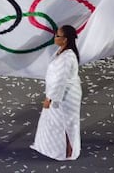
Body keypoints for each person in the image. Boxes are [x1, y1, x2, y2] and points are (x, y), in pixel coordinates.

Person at [31, 25, 82, 160]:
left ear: (64, 39)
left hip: (66, 95)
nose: (55, 38)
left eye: (57, 36)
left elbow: (61, 80)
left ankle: (68, 151)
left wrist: (51, 98)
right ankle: (58, 148)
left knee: (66, 122)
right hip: (60, 92)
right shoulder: (61, 51)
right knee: (56, 121)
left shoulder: (67, 57)